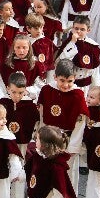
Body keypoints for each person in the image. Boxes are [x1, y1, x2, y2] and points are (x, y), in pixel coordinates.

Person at [37, 59, 89, 190]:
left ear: (75, 79)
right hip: (49, 137)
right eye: (62, 80)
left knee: (66, 171)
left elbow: (80, 124)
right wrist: (41, 138)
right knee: (48, 169)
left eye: (70, 81)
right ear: (55, 77)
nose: (66, 85)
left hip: (68, 140)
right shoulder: (47, 90)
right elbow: (42, 116)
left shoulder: (78, 95)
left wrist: (72, 147)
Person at [0, 72, 39, 198]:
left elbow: (37, 122)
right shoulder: (3, 103)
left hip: (22, 143)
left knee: (20, 167)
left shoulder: (30, 106)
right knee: (5, 166)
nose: (17, 96)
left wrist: (34, 136)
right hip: (5, 142)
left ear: (25, 90)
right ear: (7, 88)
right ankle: (5, 196)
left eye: (21, 92)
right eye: (13, 92)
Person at [56, 15, 100, 93]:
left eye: (82, 29)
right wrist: (72, 43)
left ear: (88, 30)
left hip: (85, 88)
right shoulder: (67, 43)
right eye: (76, 28)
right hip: (68, 86)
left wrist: (97, 89)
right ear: (72, 28)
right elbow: (62, 61)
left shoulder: (93, 47)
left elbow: (95, 71)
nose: (78, 31)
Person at [25, 13, 55, 83]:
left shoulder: (47, 42)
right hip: (28, 74)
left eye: (41, 27)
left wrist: (50, 82)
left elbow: (50, 63)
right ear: (28, 28)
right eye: (36, 28)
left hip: (41, 77)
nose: (39, 30)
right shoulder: (25, 41)